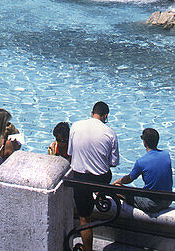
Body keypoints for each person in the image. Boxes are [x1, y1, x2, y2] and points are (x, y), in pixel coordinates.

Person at [68, 101, 120, 251]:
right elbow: (114, 163)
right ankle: (101, 195)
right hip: (100, 179)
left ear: (92, 113)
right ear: (105, 116)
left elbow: (70, 154)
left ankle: (88, 249)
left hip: (79, 178)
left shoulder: (76, 126)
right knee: (107, 174)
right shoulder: (110, 133)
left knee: (85, 219)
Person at [114, 127, 173, 214]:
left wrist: (118, 181)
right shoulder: (166, 155)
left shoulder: (141, 162)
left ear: (144, 142)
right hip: (168, 200)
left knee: (118, 189)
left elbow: (129, 179)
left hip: (152, 204)